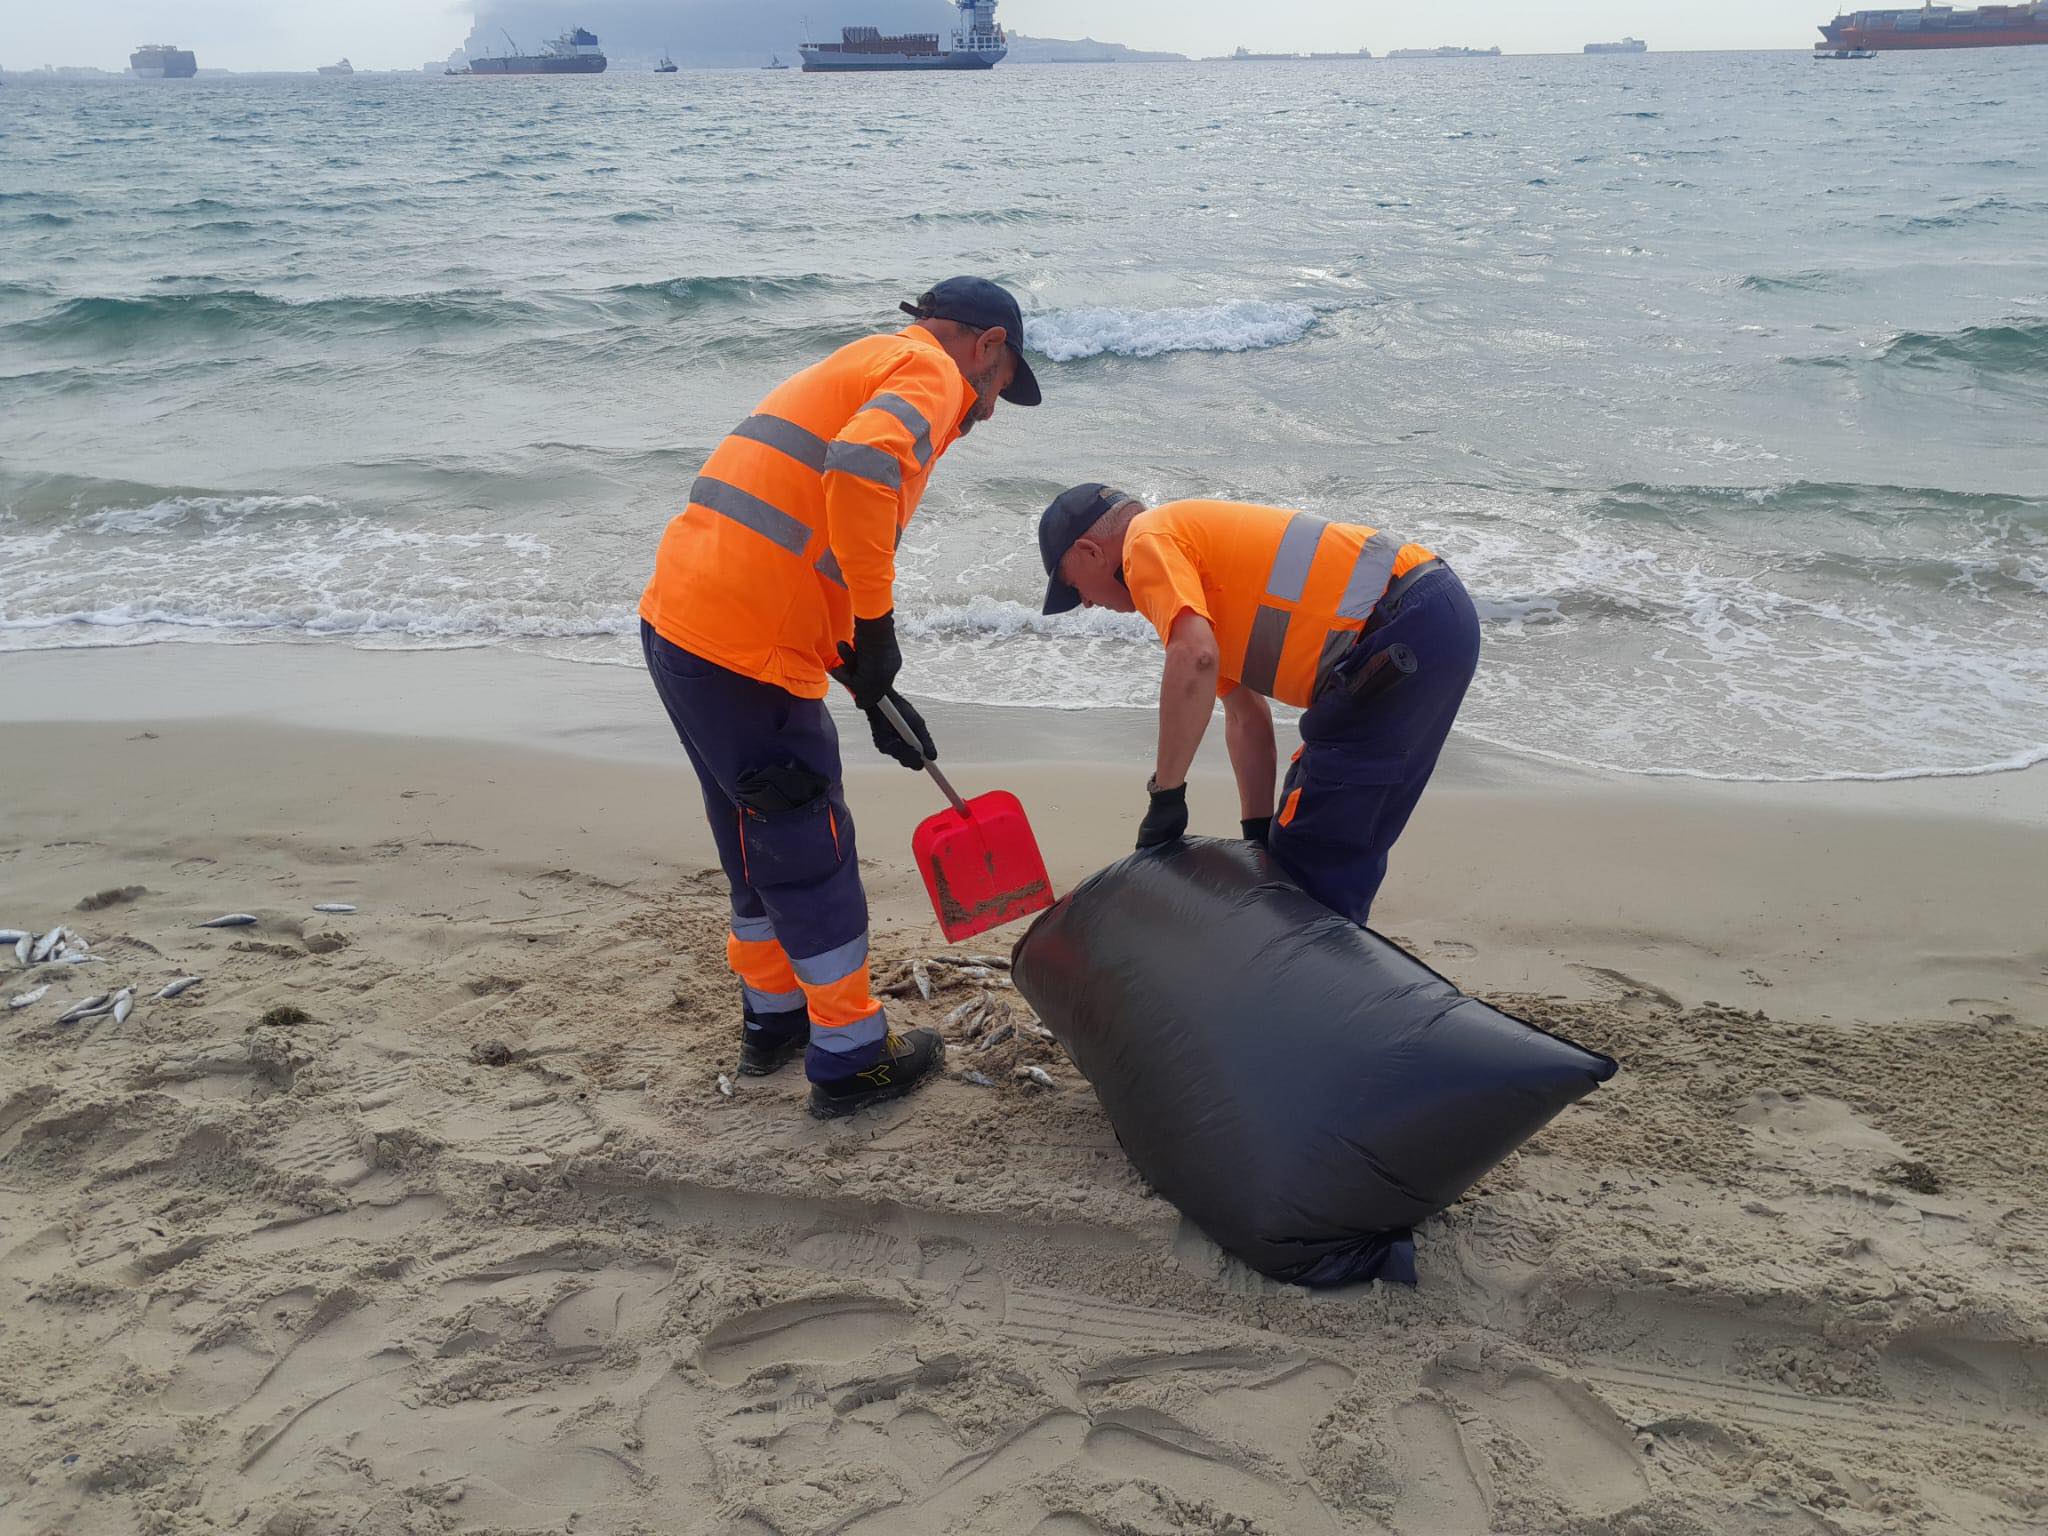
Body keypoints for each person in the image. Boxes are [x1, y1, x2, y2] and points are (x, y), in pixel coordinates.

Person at [640, 278, 1041, 1118]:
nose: (990, 410)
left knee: (752, 833)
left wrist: (862, 680)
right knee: (806, 843)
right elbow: (857, 466)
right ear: (988, 346)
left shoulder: (863, 359)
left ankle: (775, 1021)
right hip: (749, 653)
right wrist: (876, 620)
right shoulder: (930, 371)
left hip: (684, 624)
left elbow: (792, 528)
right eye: (1000, 386)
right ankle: (851, 1054)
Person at [1036, 486, 1477, 927]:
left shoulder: (1144, 541)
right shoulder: (1199, 586)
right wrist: (1258, 832)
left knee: (1313, 850)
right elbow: (1247, 718)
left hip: (1397, 636)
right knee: (1337, 834)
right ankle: (1330, 966)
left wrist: (1166, 797)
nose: (1088, 603)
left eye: (1076, 590)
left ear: (1091, 550)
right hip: (1428, 619)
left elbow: (1195, 658)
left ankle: (1310, 982)